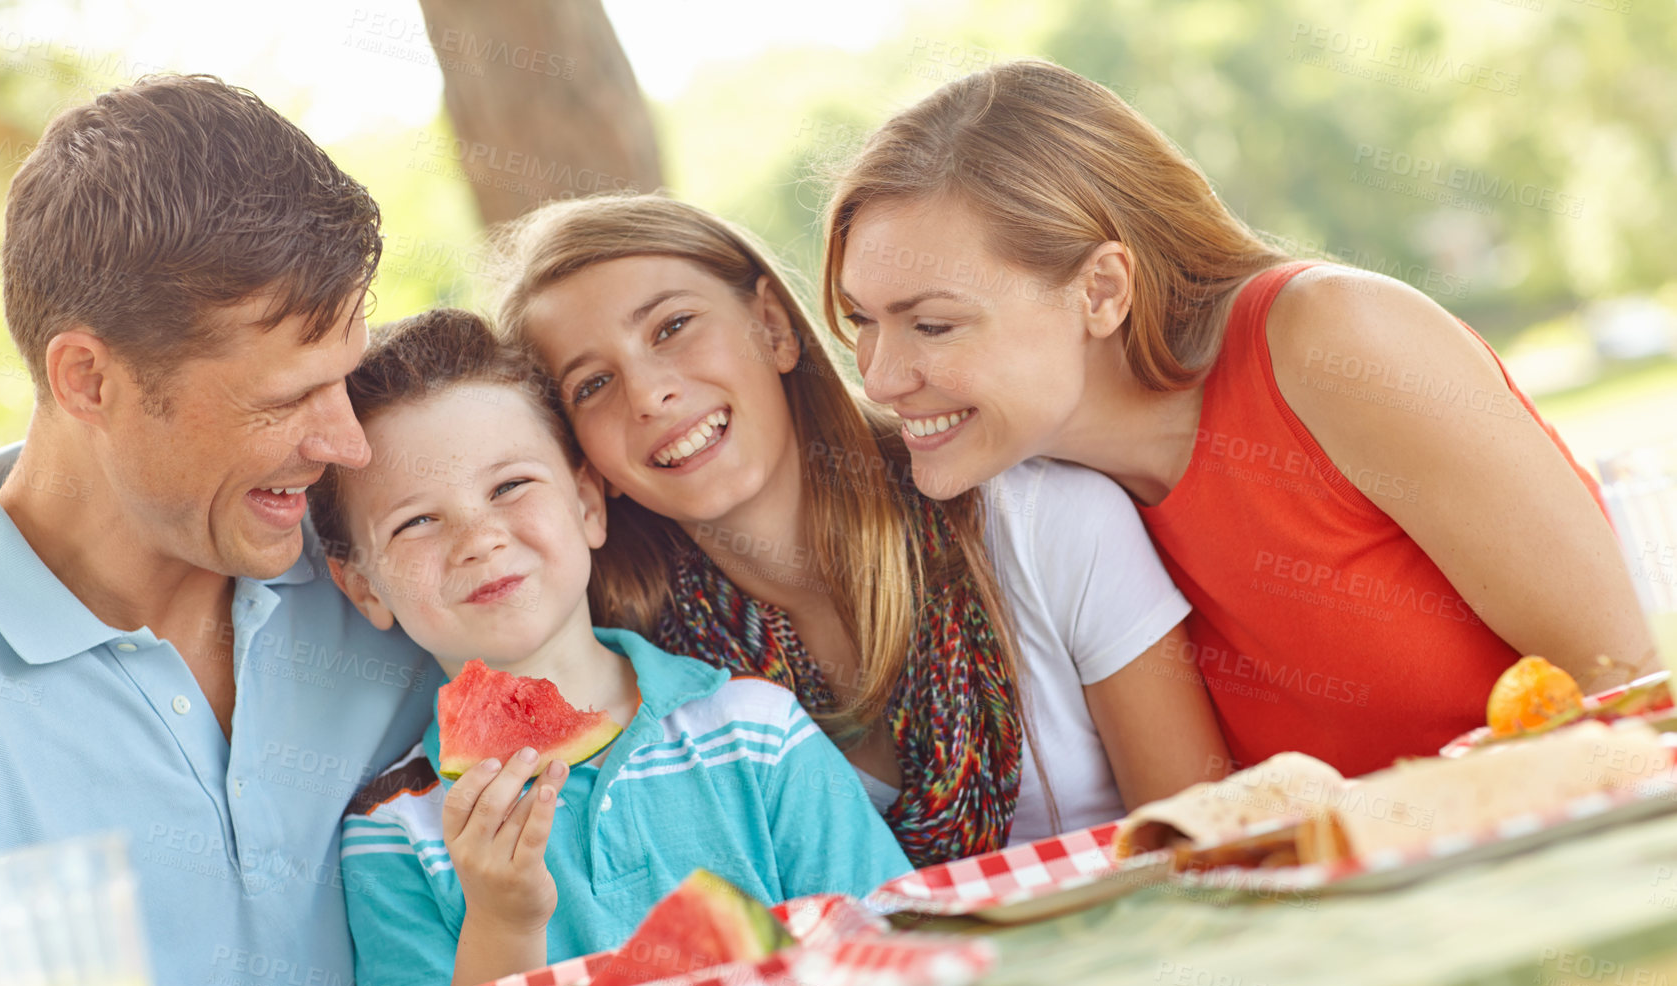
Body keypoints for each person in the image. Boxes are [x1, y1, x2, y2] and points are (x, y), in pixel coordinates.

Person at [821, 59, 1654, 777]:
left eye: (933, 324)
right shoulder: (1036, 491)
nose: (882, 376)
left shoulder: (1334, 341)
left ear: (1102, 291)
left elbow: (1628, 682)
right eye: (862, 320)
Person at [496, 194, 1228, 867]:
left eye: (673, 327)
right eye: (591, 384)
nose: (650, 394)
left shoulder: (1042, 524)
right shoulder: (634, 671)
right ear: (583, 461)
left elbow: (1212, 851)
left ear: (774, 329)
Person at [0, 75, 438, 986]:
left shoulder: (387, 570)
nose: (346, 441)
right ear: (88, 378)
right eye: (287, 397)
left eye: (347, 373)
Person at [307, 309, 911, 986]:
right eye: (416, 523)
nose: (480, 538)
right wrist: (501, 920)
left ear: (588, 504)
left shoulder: (756, 734)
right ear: (362, 587)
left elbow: (898, 965)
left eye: (510, 486)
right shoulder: (396, 830)